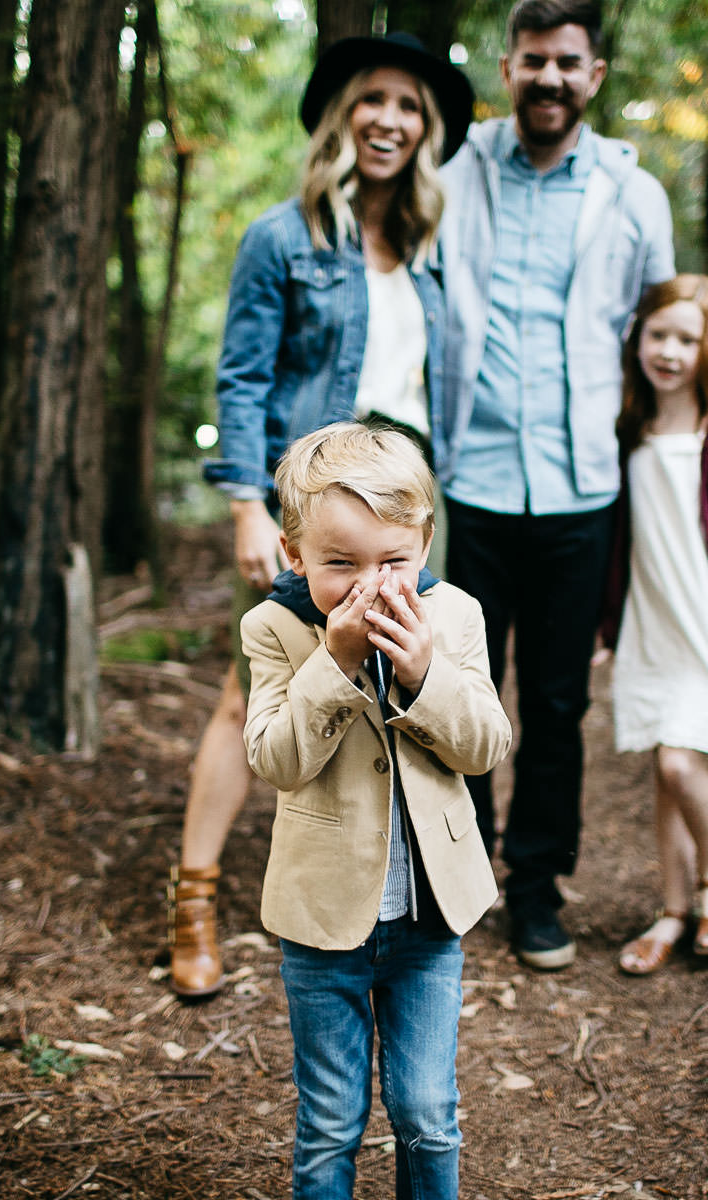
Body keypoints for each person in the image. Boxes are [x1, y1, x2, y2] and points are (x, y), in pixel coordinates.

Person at [167, 34, 474, 999]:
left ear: (426, 134)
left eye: (410, 107)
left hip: (404, 505)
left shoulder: (429, 251)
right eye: (374, 99)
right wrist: (249, 507)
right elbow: (244, 378)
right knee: (244, 691)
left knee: (396, 686)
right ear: (342, 114)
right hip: (309, 505)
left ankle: (397, 902)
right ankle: (195, 901)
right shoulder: (281, 237)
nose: (390, 119)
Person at [435, 0, 675, 969]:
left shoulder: (633, 194)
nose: (551, 78)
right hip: (470, 485)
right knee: (461, 696)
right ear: (507, 68)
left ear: (596, 76)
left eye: (569, 63)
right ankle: (456, 882)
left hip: (583, 490)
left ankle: (535, 891)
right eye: (534, 60)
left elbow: (660, 334)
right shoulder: (452, 176)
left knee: (559, 705)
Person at [242, 422, 510, 1200]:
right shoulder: (274, 629)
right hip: (322, 923)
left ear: (424, 543)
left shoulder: (454, 617)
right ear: (294, 553)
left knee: (427, 1109)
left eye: (393, 560)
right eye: (340, 564)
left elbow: (486, 745)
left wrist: (425, 673)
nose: (371, 583)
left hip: (429, 922)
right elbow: (276, 760)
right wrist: (337, 660)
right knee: (330, 1120)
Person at [597, 275, 708, 972]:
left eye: (686, 339)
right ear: (639, 339)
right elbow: (619, 544)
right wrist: (606, 632)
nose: (669, 351)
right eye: (658, 334)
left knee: (680, 759)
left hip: (703, 632)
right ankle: (672, 910)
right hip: (649, 629)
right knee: (662, 775)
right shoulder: (628, 432)